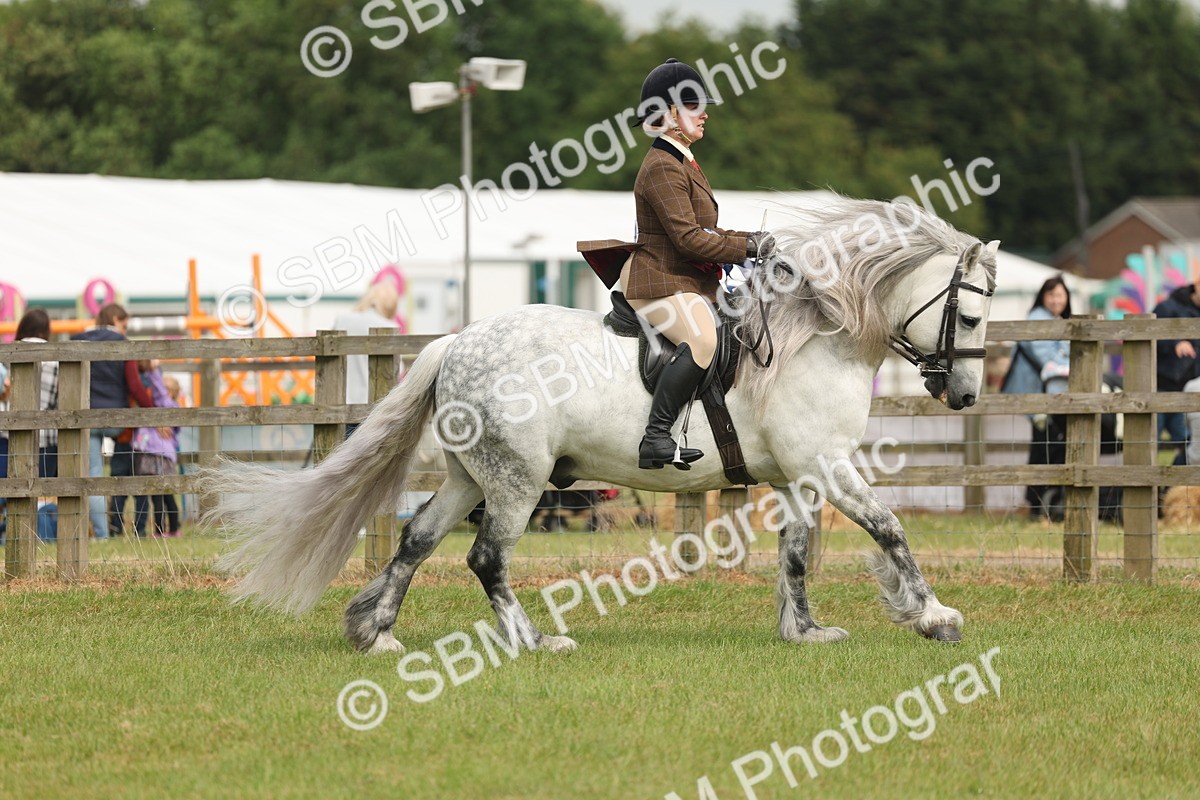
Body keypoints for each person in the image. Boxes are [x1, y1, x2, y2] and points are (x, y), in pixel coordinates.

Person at [579, 58, 774, 470]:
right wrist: (746, 248)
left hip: (682, 278)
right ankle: (655, 437)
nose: (705, 112)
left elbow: (708, 230)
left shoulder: (681, 161)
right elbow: (688, 239)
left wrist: (754, 242)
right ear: (666, 115)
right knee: (702, 340)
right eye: (692, 105)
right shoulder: (662, 167)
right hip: (659, 280)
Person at [70, 303, 155, 539]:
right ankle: (130, 526)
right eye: (124, 325)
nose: (125, 331)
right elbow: (135, 386)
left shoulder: (78, 340)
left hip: (85, 416)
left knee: (94, 475)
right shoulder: (122, 344)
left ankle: (102, 534)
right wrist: (155, 414)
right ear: (115, 318)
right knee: (128, 468)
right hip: (118, 418)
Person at [1001, 276, 1072, 518]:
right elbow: (1047, 360)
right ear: (1043, 296)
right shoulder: (1038, 320)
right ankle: (1038, 501)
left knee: (1045, 442)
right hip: (1037, 394)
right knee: (1046, 443)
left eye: (1060, 295)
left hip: (1044, 393)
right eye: (1052, 295)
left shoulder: (1053, 320)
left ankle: (1038, 501)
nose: (1056, 300)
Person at [331, 282, 401, 439]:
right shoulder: (390, 326)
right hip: (376, 408)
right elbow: (398, 370)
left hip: (341, 403)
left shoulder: (342, 320)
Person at [132, 360, 181, 537]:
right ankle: (164, 529)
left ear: (173, 393)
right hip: (150, 453)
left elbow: (159, 392)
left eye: (165, 388)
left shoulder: (168, 406)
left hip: (159, 455)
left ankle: (169, 529)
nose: (160, 389)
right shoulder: (155, 406)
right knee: (158, 495)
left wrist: (152, 371)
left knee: (163, 494)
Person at [1152, 283, 1200, 464]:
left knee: (1188, 443)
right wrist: (1175, 342)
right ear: (1197, 285)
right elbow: (1145, 334)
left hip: (1188, 393)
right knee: (1148, 443)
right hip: (1159, 389)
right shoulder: (1168, 307)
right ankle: (1146, 490)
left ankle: (1172, 487)